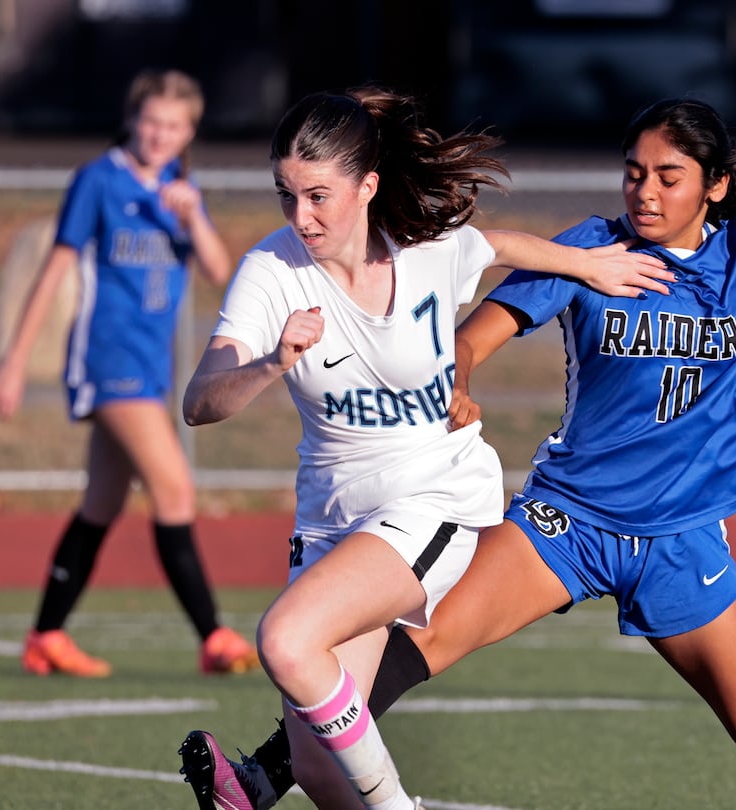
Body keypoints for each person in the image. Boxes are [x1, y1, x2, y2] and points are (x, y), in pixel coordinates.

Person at [180, 64, 736, 809]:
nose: (645, 191)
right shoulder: (593, 251)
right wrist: (459, 378)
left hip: (680, 534)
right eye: (634, 172)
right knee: (419, 640)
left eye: (669, 177)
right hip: (566, 520)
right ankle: (260, 779)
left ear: (716, 186)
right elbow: (473, 333)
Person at [179, 85, 671, 809]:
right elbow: (200, 400)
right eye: (286, 195)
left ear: (368, 185)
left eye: (318, 195)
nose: (300, 215)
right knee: (317, 773)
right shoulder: (270, 271)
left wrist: (590, 267)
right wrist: (269, 363)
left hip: (434, 497)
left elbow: (501, 247)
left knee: (286, 639)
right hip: (332, 517)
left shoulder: (427, 252)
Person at [0, 68, 259, 678]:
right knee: (175, 490)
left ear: (189, 132)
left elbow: (220, 271)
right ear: (134, 119)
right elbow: (55, 270)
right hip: (108, 364)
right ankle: (213, 636)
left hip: (150, 369)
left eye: (175, 126)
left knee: (101, 505)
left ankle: (47, 636)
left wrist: (194, 218)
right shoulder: (98, 181)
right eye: (152, 121)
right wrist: (14, 361)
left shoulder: (180, 188)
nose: (160, 135)